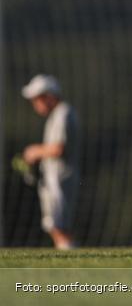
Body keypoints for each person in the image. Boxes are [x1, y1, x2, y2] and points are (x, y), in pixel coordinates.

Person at [21, 74, 80, 249]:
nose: (35, 104)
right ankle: (67, 254)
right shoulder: (57, 115)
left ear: (49, 96)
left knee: (58, 225)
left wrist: (34, 152)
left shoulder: (63, 113)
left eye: (37, 99)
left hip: (60, 178)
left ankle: (70, 256)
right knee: (55, 226)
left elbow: (58, 148)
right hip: (54, 178)